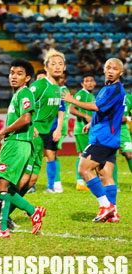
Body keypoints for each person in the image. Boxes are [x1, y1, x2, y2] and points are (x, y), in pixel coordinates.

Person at [0, 59, 46, 238]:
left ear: (27, 78)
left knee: (1, 185)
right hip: (12, 144)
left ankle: (2, 228)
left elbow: (26, 119)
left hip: (17, 144)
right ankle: (33, 211)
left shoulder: (24, 94)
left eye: (19, 74)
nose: (13, 77)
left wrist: (3, 131)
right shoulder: (17, 95)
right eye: (11, 73)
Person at [62, 58, 126, 223]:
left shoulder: (114, 89)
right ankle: (114, 213)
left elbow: (97, 107)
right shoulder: (110, 88)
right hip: (110, 137)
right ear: (104, 70)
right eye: (108, 68)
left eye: (115, 68)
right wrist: (92, 122)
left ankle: (106, 206)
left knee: (83, 169)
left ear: (121, 72)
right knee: (105, 174)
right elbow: (107, 111)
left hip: (102, 138)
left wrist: (72, 100)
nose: (111, 71)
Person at [7, 49, 65, 208]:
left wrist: (58, 129)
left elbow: (59, 111)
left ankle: (6, 210)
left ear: (65, 67)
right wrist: (30, 125)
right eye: (53, 64)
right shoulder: (39, 85)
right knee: (24, 177)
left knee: (31, 180)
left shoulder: (56, 88)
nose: (57, 67)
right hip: (33, 138)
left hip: (44, 137)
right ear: (46, 68)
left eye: (60, 64)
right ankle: (1, 211)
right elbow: (23, 102)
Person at [69, 73, 96, 191]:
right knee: (84, 155)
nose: (89, 83)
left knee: (86, 155)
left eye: (91, 80)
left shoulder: (91, 95)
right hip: (82, 130)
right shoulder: (81, 94)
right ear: (82, 84)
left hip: (88, 129)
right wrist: (85, 115)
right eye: (87, 81)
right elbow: (71, 108)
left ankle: (83, 182)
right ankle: (80, 182)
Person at [45, 71, 69, 193]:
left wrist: (58, 129)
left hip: (52, 129)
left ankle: (51, 186)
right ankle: (30, 186)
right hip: (38, 129)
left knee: (51, 156)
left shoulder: (57, 93)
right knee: (33, 157)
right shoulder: (37, 90)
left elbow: (61, 111)